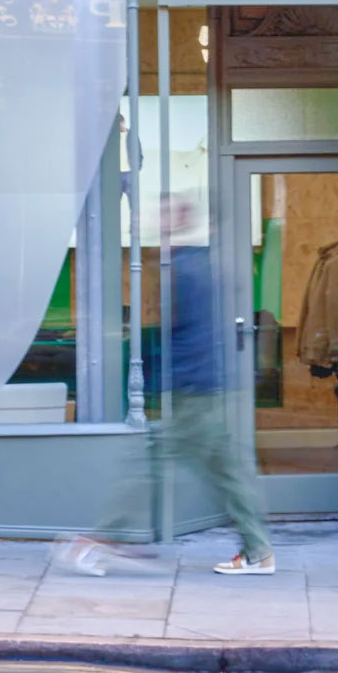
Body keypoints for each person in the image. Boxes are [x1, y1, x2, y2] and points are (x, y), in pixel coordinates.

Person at [55, 196, 275, 577]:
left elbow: (192, 336)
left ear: (177, 223)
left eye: (163, 217)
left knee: (151, 464)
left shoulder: (186, 268)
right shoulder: (198, 265)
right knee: (227, 472)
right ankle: (259, 551)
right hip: (208, 387)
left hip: (195, 391)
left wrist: (173, 382)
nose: (156, 224)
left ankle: (100, 540)